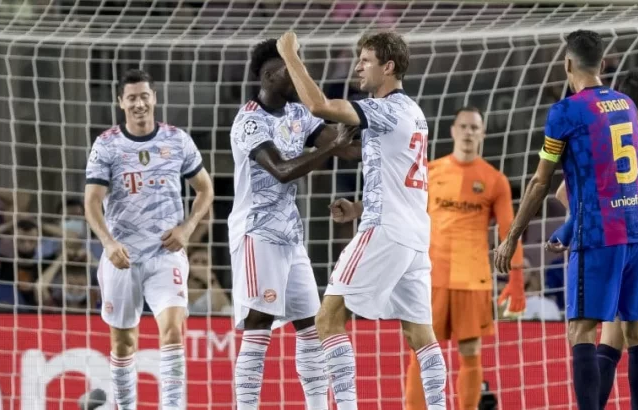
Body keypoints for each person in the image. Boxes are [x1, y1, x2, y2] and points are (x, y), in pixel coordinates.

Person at [277, 31, 447, 410]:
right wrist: (357, 208)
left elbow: (319, 106)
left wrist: (290, 55)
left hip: (385, 230)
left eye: (365, 60)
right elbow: (402, 174)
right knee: (420, 333)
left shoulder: (387, 109)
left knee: (327, 318)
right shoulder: (414, 112)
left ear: (388, 67)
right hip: (413, 232)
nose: (357, 66)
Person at [493, 30, 638, 410]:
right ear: (602, 64)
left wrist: (512, 237)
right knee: (636, 331)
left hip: (599, 236)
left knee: (581, 328)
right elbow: (601, 172)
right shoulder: (627, 105)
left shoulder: (565, 112)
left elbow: (539, 180)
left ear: (567, 64)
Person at [228, 38, 356, 410]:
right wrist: (330, 149)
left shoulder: (300, 114)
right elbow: (282, 171)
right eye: (290, 68)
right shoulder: (249, 121)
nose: (300, 77)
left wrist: (383, 141)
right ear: (269, 75)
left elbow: (344, 144)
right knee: (259, 321)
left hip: (290, 237)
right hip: (257, 234)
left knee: (310, 326)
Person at [547, 67, 638, 409]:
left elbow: (565, 191)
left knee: (611, 337)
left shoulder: (608, 139)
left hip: (614, 241)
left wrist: (576, 225)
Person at [84, 68, 214, 409]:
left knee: (173, 330)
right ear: (120, 102)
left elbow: (205, 189)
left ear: (154, 98)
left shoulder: (176, 139)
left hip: (164, 255)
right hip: (122, 257)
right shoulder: (107, 144)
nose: (139, 103)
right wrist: (109, 243)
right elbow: (92, 201)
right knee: (123, 342)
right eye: (132, 98)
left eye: (144, 96)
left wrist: (187, 228)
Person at [405, 106, 526, 410]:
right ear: (452, 131)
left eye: (475, 128)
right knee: (421, 349)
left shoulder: (494, 180)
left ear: (483, 133)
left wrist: (517, 279)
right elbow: (408, 219)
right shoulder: (430, 171)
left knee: (470, 350)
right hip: (430, 276)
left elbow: (508, 232)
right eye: (464, 126)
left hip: (473, 279)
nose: (469, 132)